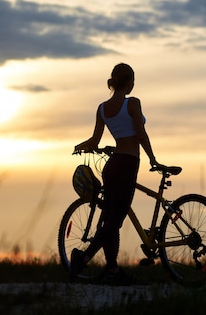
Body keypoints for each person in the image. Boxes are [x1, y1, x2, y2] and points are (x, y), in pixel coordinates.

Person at [71, 63, 159, 285]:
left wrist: (80, 146)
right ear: (129, 83)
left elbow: (94, 141)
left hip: (112, 166)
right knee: (114, 221)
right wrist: (153, 159)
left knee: (110, 219)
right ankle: (83, 258)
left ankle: (112, 270)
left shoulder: (102, 108)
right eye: (133, 81)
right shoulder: (133, 103)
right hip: (128, 164)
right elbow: (140, 134)